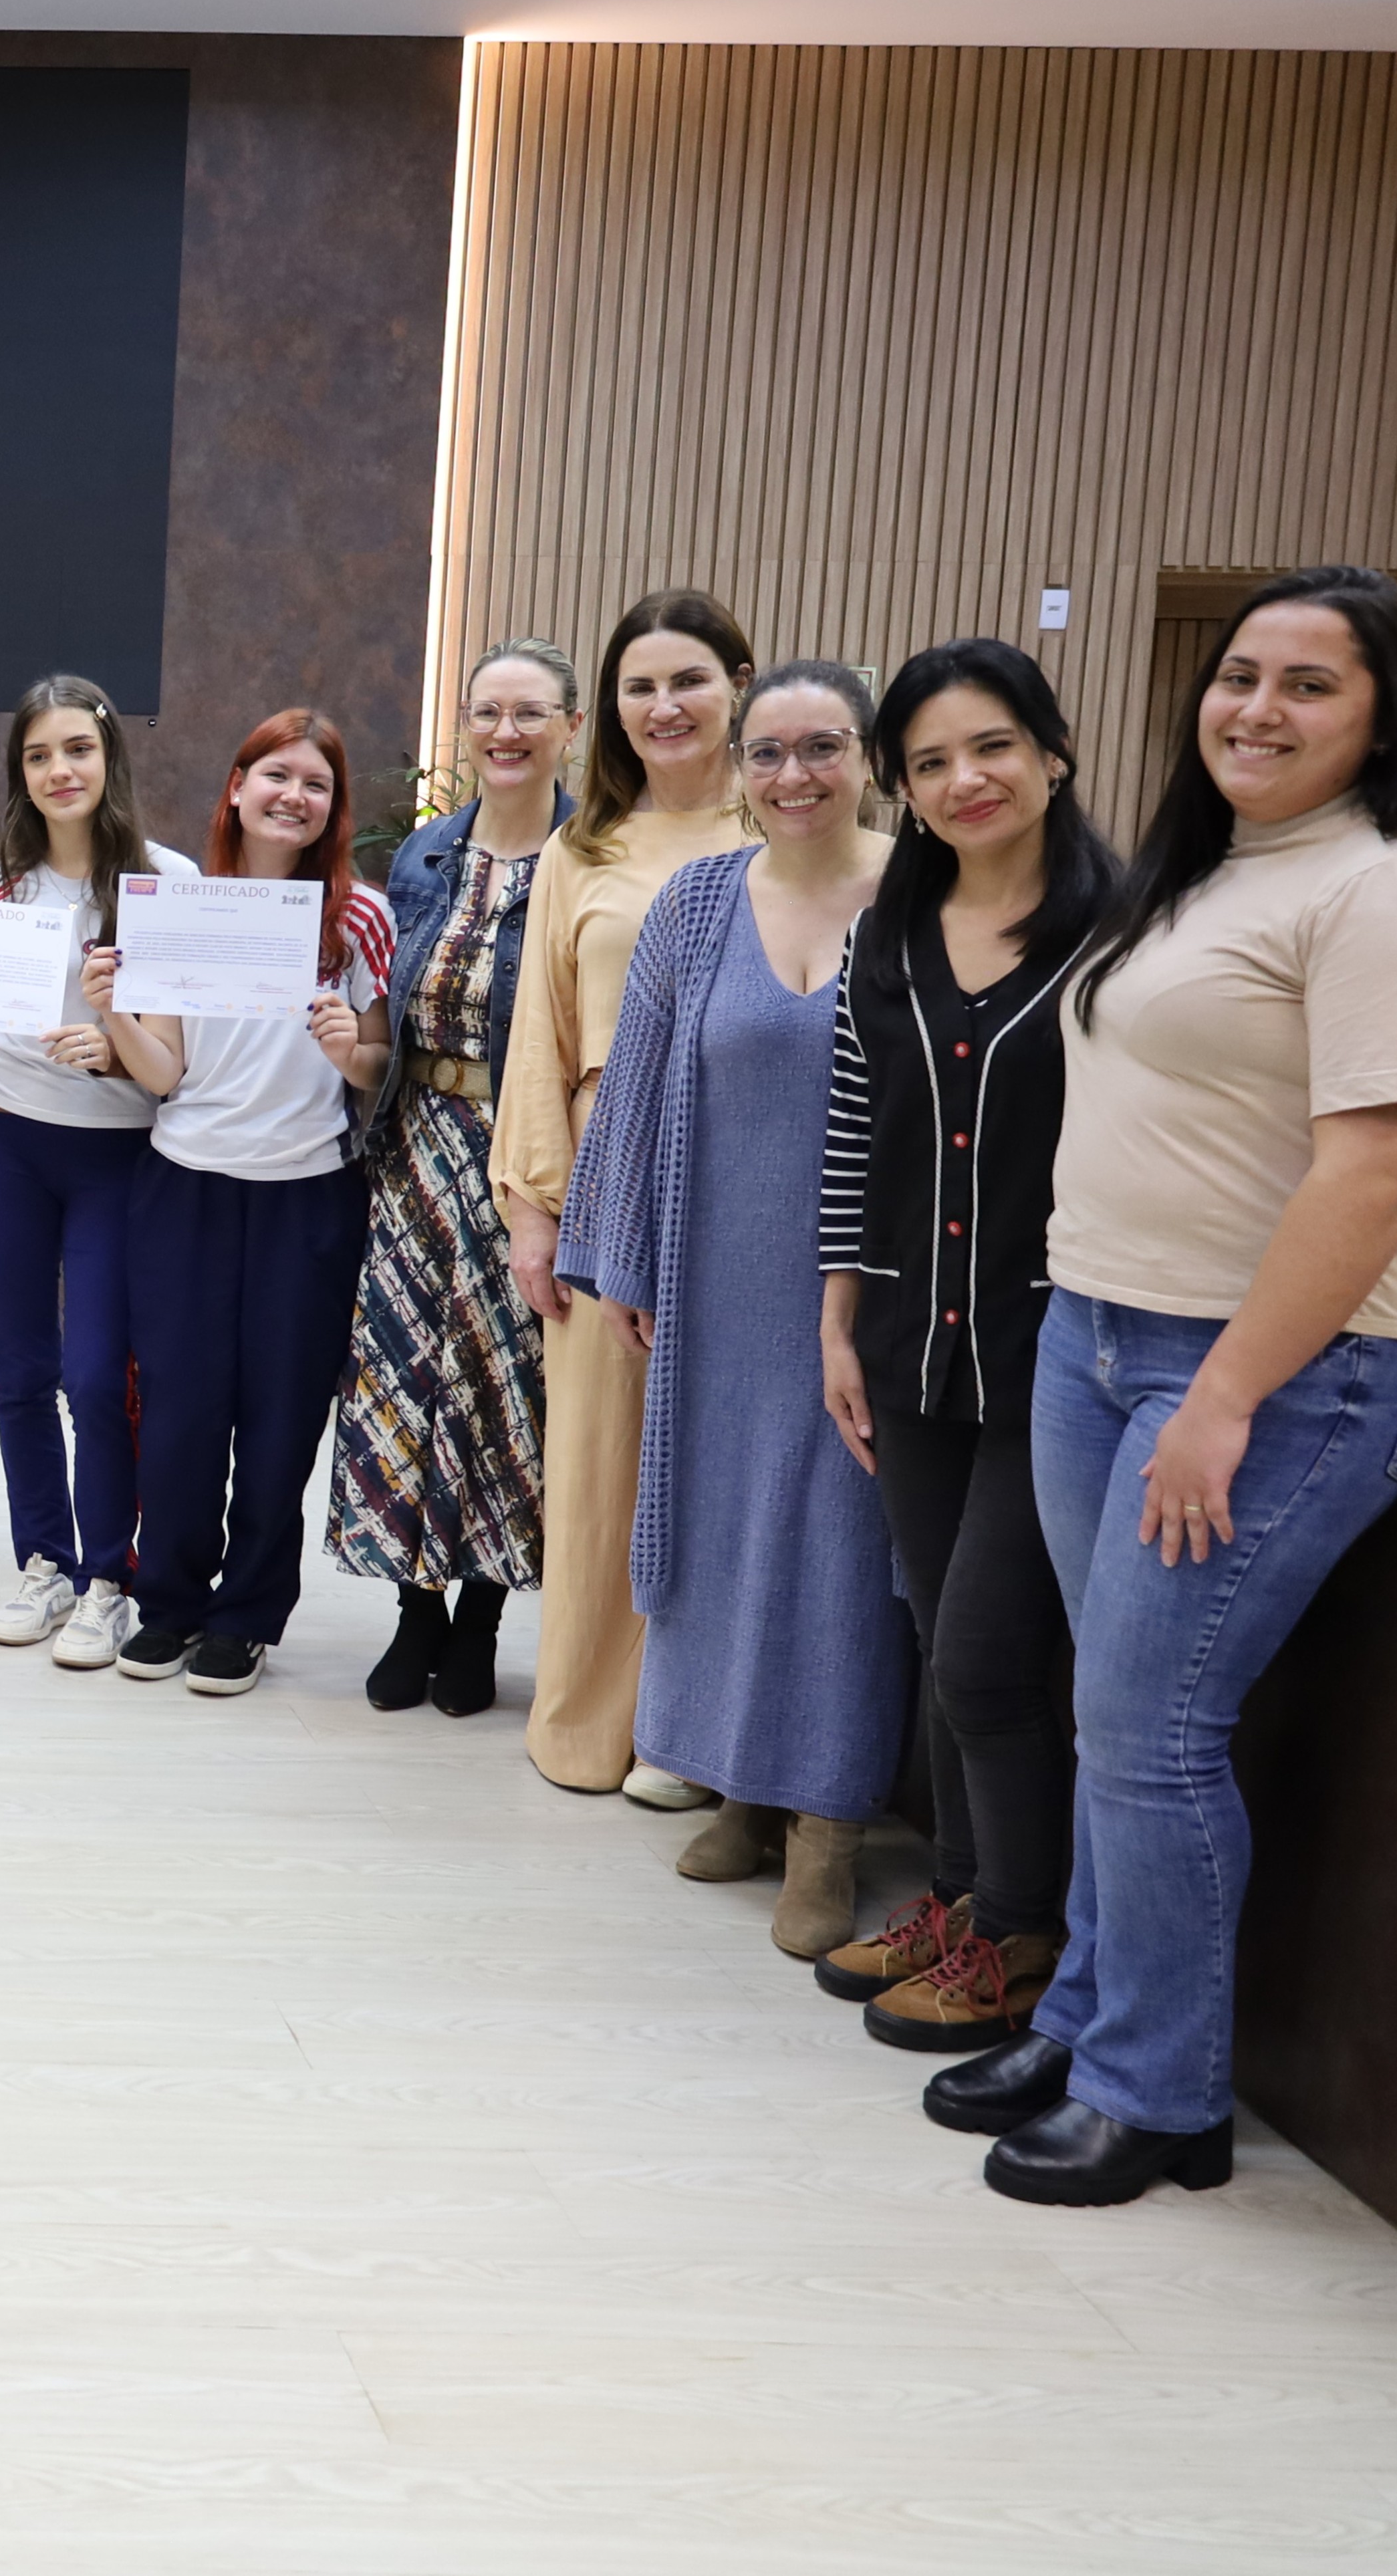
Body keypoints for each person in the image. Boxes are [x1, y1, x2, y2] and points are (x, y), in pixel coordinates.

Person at [932, 567, 1397, 2207]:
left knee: (1149, 1728)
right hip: (1101, 1337)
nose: (1255, 707)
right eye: (1239, 674)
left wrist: (1228, 1395)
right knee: (1111, 1718)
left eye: (1308, 685)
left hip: (1272, 1373)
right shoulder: (1205, 871)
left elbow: (1375, 1164)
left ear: (1382, 719)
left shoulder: (1396, 888)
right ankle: (1087, 2022)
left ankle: (1158, 2094)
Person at [564, 660, 905, 1956]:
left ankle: (827, 1823)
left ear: (866, 758)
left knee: (836, 1550)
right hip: (714, 1280)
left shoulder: (924, 897)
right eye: (766, 753)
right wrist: (623, 1259)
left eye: (821, 748)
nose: (792, 775)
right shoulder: (699, 901)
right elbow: (638, 1082)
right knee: (718, 1531)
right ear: (738, 768)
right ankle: (742, 1790)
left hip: (860, 1290)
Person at [814, 640, 1118, 2041]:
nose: (963, 780)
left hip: (1057, 1349)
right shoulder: (888, 931)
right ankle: (956, 1897)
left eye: (990, 746)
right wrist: (837, 1321)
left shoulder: (1125, 933)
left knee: (991, 1656)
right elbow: (853, 1136)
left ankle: (1020, 1931)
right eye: (928, 762)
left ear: (1051, 752)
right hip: (905, 1339)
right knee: (941, 1642)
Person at [493, 588, 761, 1801]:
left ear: (739, 685)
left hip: (753, 1172)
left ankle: (696, 1733)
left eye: (689, 679)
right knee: (600, 1463)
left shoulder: (790, 825)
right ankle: (589, 1725)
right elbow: (538, 1039)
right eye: (641, 686)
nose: (666, 706)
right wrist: (533, 1210)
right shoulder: (582, 849)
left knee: (725, 1459)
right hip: (613, 1171)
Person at [99, 710, 394, 1690]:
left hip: (305, 1199)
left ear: (333, 807)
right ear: (236, 787)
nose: (292, 796)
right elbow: (163, 1071)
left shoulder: (360, 918)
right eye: (275, 775)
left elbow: (378, 1068)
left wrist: (352, 1049)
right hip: (184, 1188)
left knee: (280, 1421)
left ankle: (248, 1614)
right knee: (180, 1413)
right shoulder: (182, 907)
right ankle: (170, 1602)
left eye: (316, 783)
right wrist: (110, 1010)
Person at [330, 639, 576, 1717]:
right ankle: (413, 1610)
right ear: (465, 726)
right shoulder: (427, 853)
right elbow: (395, 1019)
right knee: (405, 1381)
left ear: (569, 728)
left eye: (530, 712)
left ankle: (478, 1619)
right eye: (487, 712)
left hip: (527, 1158)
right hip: (415, 1148)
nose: (505, 732)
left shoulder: (590, 857)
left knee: (502, 1389)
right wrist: (351, 1053)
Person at [0, 675, 193, 1666]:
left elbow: (178, 1058)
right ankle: (44, 1560)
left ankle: (107, 1579)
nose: (60, 770)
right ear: (20, 772)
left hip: (117, 1156)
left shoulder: (162, 881)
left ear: (109, 757)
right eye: (39, 755)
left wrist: (114, 1052)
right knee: (22, 1371)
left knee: (95, 1376)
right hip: (7, 1143)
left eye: (77, 749)